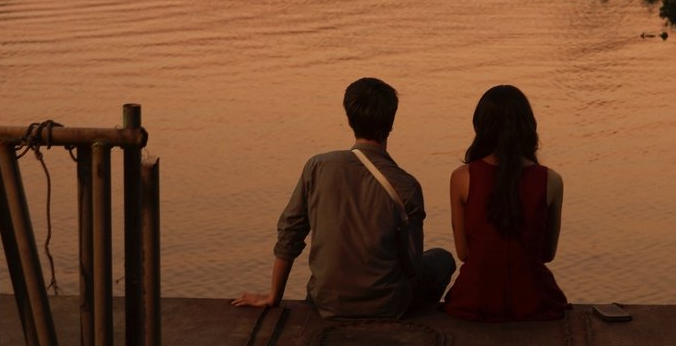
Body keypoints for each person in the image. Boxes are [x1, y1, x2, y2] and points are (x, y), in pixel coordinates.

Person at [232, 77, 455, 318]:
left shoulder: (317, 167)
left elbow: (290, 231)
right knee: (442, 259)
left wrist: (273, 296)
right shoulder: (406, 185)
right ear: (391, 123)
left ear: (349, 119)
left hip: (326, 300)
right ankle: (411, 317)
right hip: (387, 305)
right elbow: (412, 266)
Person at [443, 85, 567, 321]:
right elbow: (547, 254)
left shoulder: (462, 177)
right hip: (534, 299)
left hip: (475, 298)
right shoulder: (552, 180)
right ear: (528, 127)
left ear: (480, 126)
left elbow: (463, 253)